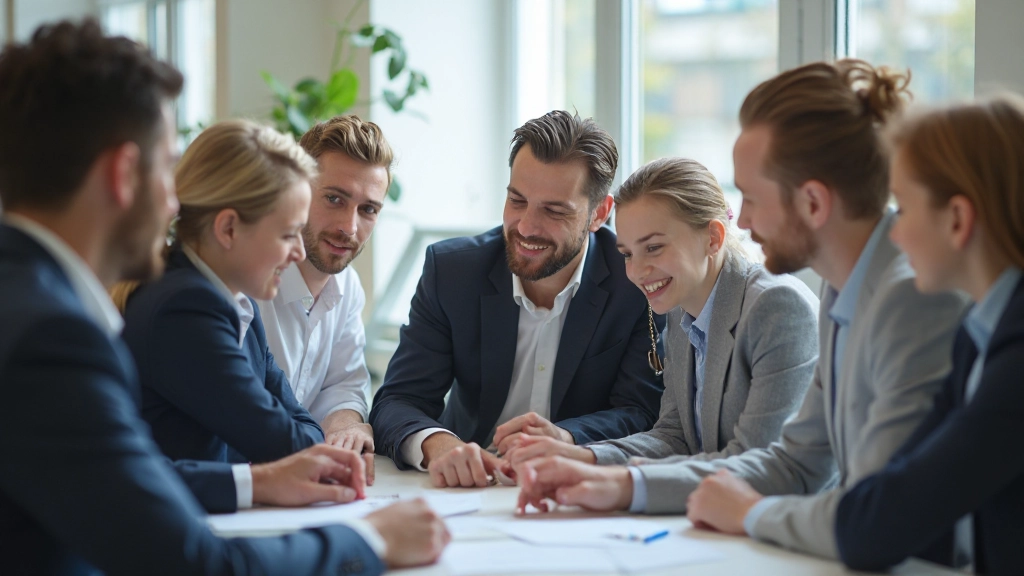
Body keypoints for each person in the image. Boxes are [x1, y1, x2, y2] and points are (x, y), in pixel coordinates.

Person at [0, 20, 447, 574]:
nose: (176, 204)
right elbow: (196, 562)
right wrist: (371, 542)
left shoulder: (28, 302)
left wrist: (254, 481)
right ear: (122, 174)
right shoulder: (54, 338)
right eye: (168, 168)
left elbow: (114, 475)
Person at [512, 59, 968, 561]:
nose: (742, 220)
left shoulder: (905, 299)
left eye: (750, 197)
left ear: (813, 203)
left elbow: (876, 516)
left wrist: (746, 512)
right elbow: (795, 462)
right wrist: (614, 479)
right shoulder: (843, 296)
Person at [370, 110, 665, 487]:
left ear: (599, 215)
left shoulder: (635, 282)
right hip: (466, 487)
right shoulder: (452, 272)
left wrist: (566, 438)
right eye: (517, 200)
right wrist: (438, 444)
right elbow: (398, 400)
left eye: (554, 210)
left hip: (577, 486)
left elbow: (641, 411)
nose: (526, 226)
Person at [505, 157, 819, 468]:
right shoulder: (682, 310)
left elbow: (753, 463)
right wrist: (581, 456)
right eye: (628, 254)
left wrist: (621, 485)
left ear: (713, 238)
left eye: (653, 248)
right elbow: (674, 436)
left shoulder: (777, 307)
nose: (638, 272)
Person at [836, 95, 1024, 575]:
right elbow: (885, 493)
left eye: (903, 208)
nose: (894, 234)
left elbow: (873, 528)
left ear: (958, 219)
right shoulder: (978, 333)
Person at [121, 119, 325, 465]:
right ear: (228, 228)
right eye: (288, 234)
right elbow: (288, 443)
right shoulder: (183, 308)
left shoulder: (240, 303)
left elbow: (306, 431)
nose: (300, 254)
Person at [256, 115, 389, 481]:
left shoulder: (348, 287)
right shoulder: (248, 280)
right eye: (334, 199)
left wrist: (347, 429)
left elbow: (343, 384)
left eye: (368, 210)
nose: (349, 227)